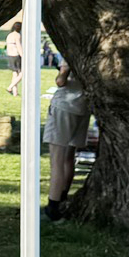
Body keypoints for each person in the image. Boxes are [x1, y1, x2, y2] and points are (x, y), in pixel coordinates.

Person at [43, 60, 90, 221]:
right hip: (82, 107)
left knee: (57, 159)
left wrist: (63, 70)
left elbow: (61, 81)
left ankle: (53, 206)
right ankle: (62, 196)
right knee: (69, 156)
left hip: (64, 107)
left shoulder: (70, 54)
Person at [4, 21, 23, 96]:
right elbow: (18, 46)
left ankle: (15, 93)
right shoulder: (17, 35)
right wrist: (22, 55)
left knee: (15, 73)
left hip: (10, 55)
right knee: (22, 74)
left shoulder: (9, 35)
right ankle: (10, 87)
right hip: (16, 55)